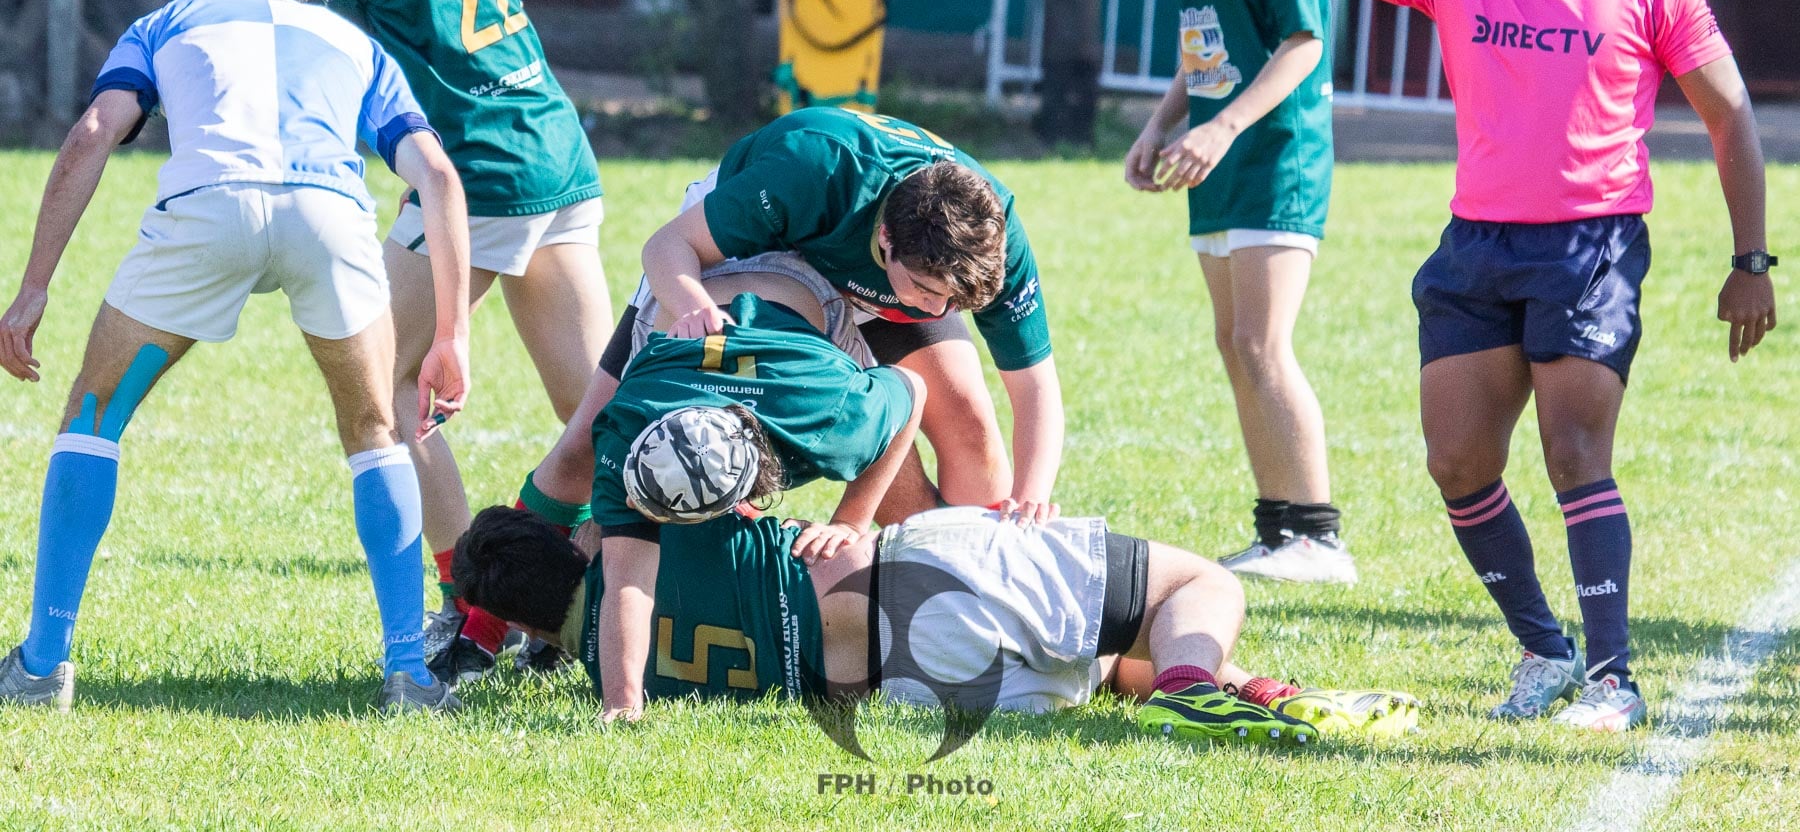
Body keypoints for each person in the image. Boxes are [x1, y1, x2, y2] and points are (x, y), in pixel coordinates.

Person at [1062, 0, 1778, 731]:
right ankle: (1545, 651)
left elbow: (1731, 118)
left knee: (1575, 453)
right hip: (1476, 247)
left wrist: (1751, 261)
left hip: (1592, 246)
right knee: (1457, 464)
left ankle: (1613, 678)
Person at [0, 0, 472, 713]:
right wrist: (453, 332)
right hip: (328, 216)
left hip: (207, 208)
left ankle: (42, 665)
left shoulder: (169, 21)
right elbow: (435, 172)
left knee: (93, 418)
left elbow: (92, 133)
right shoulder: (352, 42)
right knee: (373, 434)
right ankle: (409, 671)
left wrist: (34, 288)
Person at [269, 0, 613, 676]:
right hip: (555, 148)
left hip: (480, 173)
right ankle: (593, 602)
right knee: (598, 417)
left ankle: (481, 613)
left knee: (381, 391)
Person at [520, 107, 1064, 551]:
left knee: (968, 420)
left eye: (952, 299)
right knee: (593, 438)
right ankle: (483, 621)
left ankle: (974, 587)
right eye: (928, 289)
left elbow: (1036, 387)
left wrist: (1032, 496)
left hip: (870, 272)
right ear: (887, 238)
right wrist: (695, 308)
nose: (938, 306)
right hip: (764, 247)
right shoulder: (813, 172)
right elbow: (668, 246)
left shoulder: (990, 236)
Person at [453, 502, 1420, 743]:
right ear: (572, 544)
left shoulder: (612, 671)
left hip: (917, 683)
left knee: (1106, 666)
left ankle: (1246, 692)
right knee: (1195, 588)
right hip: (919, 572)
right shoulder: (638, 529)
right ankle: (1198, 683)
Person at [1123, 0, 1349, 583]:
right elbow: (1209, 44)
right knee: (1234, 341)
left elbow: (1302, 44)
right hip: (1216, 157)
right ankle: (1279, 528)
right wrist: (1163, 121)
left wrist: (1220, 128)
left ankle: (1319, 536)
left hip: (1271, 155)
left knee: (1263, 341)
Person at [582, 267, 927, 721]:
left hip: (811, 286)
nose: (632, 504)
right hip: (698, 296)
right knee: (575, 463)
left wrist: (851, 520)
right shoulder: (625, 429)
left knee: (962, 448)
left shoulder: (827, 415)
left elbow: (913, 388)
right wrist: (621, 705)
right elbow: (627, 581)